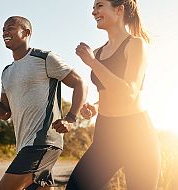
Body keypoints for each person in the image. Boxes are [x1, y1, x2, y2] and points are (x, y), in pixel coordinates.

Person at [0, 16, 88, 190]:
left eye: (11, 28)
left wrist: (70, 118)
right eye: (3, 29)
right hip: (25, 146)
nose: (5, 32)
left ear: (27, 32)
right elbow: (5, 112)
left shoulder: (45, 58)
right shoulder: (7, 72)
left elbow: (79, 83)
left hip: (43, 141)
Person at [66, 0, 161, 189]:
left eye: (99, 5)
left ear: (119, 10)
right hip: (106, 132)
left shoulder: (135, 44)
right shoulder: (99, 52)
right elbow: (109, 90)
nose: (94, 12)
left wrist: (92, 63)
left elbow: (129, 92)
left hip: (136, 134)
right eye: (93, 8)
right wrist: (96, 106)